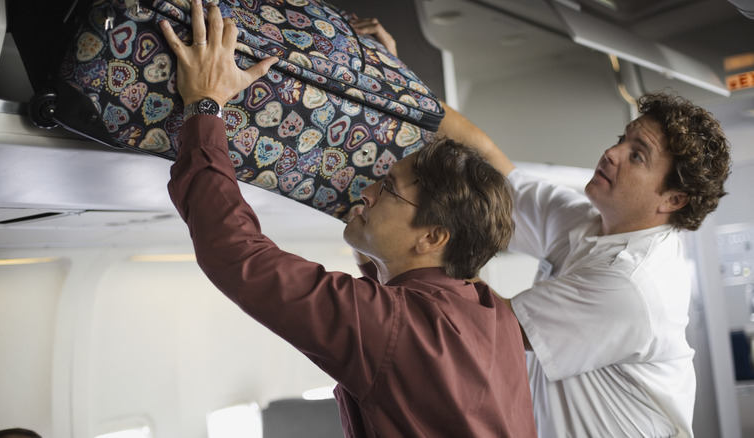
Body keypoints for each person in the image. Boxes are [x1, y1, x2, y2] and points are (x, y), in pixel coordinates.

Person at [160, 2, 537, 437]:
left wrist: (205, 105)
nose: (367, 191)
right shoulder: (491, 314)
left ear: (433, 236)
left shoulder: (394, 325)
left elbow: (236, 254)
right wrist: (387, 75)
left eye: (388, 189)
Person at [438, 80, 732, 436]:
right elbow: (494, 166)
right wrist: (396, 83)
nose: (612, 152)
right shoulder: (588, 221)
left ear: (673, 200)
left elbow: (489, 323)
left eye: (637, 155)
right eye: (623, 139)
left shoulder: (630, 282)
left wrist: (413, 237)